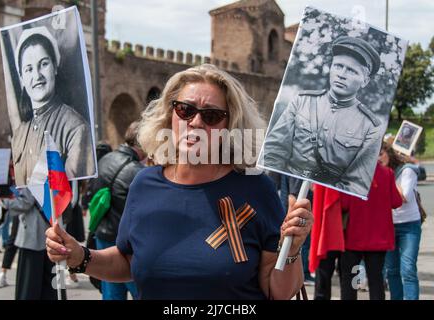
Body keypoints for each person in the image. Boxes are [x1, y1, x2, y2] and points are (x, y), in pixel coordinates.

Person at [46, 64, 313, 300]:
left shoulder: (256, 189)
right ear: (170, 115)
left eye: (210, 116)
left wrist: (293, 248)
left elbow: (279, 292)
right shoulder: (144, 184)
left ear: (230, 126)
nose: (195, 122)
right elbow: (128, 260)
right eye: (185, 110)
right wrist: (80, 257)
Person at [261, 36, 382, 197]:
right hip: (290, 191)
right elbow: (274, 151)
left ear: (365, 80)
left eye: (352, 70)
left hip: (328, 200)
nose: (342, 74)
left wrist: (322, 193)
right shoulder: (302, 101)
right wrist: (288, 193)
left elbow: (357, 183)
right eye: (338, 66)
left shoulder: (370, 126)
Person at [11, 26, 94, 186]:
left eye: (43, 64)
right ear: (22, 78)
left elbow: (73, 191)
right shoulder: (19, 134)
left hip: (57, 211)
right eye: (28, 69)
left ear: (55, 67)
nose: (37, 76)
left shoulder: (77, 128)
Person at [88, 121, 146, 300]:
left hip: (103, 235)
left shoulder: (106, 159)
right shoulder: (136, 171)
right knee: (141, 292)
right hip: (124, 245)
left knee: (112, 294)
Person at [339, 160, 403, 300]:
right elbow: (396, 202)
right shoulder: (387, 173)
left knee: (352, 279)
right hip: (379, 237)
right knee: (376, 279)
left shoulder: (351, 172)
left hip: (354, 236)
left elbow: (344, 204)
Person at [0, 189, 58, 300]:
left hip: (34, 235)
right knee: (49, 284)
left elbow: (26, 202)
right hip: (49, 231)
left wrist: (1, 202)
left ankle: (3, 273)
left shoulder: (33, 173)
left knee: (29, 286)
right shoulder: (49, 173)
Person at [380, 142, 422, 300]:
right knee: (392, 270)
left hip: (409, 226)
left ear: (389, 153)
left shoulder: (407, 171)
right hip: (389, 226)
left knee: (408, 269)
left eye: (381, 153)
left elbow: (403, 197)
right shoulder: (380, 173)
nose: (378, 158)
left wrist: (389, 175)